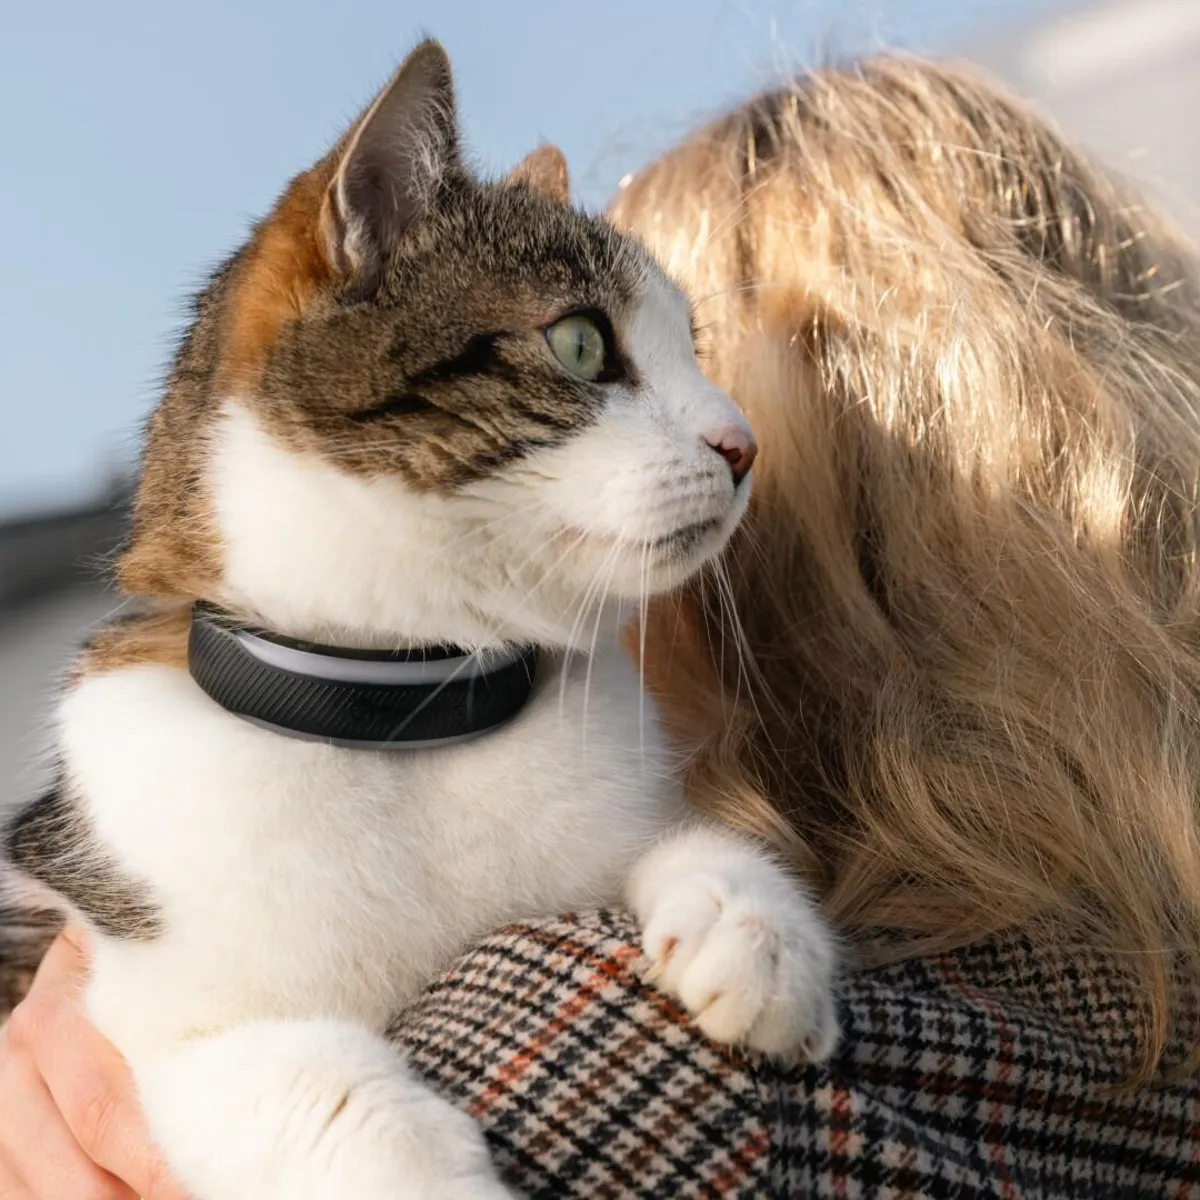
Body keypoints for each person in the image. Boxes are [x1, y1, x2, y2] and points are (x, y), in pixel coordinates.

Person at [3, 55, 1199, 1197]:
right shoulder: (1130, 994)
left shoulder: (613, 1052)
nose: (729, 440)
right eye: (594, 352)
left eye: (715, 370)